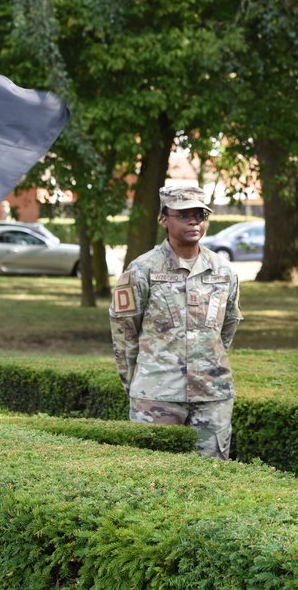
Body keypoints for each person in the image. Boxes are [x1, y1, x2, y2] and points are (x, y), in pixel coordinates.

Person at [109, 185, 243, 459]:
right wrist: (137, 384)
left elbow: (227, 327)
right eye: (183, 215)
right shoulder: (143, 269)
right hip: (157, 395)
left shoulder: (223, 271)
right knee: (152, 478)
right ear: (164, 219)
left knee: (213, 477)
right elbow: (124, 333)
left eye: (199, 214)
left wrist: (208, 360)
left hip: (212, 394)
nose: (193, 221)